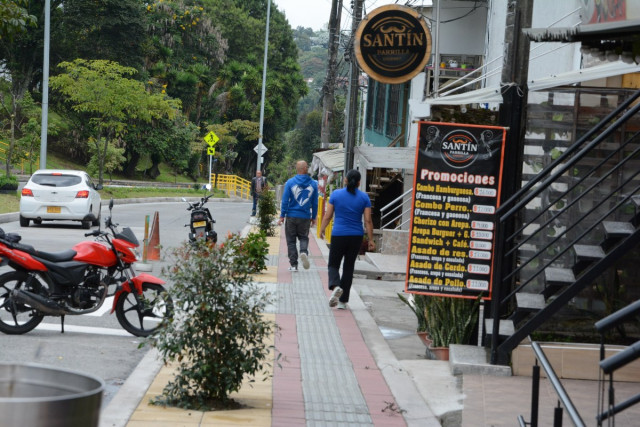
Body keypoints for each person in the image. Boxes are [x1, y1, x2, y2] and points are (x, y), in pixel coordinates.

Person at [319, 169, 375, 309]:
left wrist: (321, 230)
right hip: (356, 236)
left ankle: (336, 285)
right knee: (348, 267)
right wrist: (371, 239)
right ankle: (343, 302)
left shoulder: (336, 194)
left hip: (338, 235)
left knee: (333, 264)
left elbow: (328, 215)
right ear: (359, 182)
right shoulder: (364, 198)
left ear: (345, 180)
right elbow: (368, 220)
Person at [278, 160, 318, 272]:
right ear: (306, 168)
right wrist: (313, 217)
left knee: (291, 241)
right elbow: (315, 203)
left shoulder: (290, 183)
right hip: (305, 217)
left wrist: (282, 216)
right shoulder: (313, 184)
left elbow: (285, 200)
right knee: (304, 237)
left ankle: (294, 265)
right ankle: (304, 252)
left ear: (297, 169)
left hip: (291, 216)